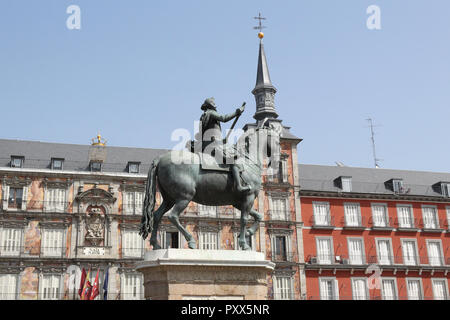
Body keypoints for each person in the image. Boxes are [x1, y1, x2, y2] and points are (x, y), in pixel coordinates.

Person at [196, 97, 250, 193]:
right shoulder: (211, 113)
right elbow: (223, 118)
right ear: (211, 106)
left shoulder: (203, 116)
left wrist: (221, 140)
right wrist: (237, 112)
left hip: (208, 144)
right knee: (232, 160)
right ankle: (239, 186)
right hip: (212, 144)